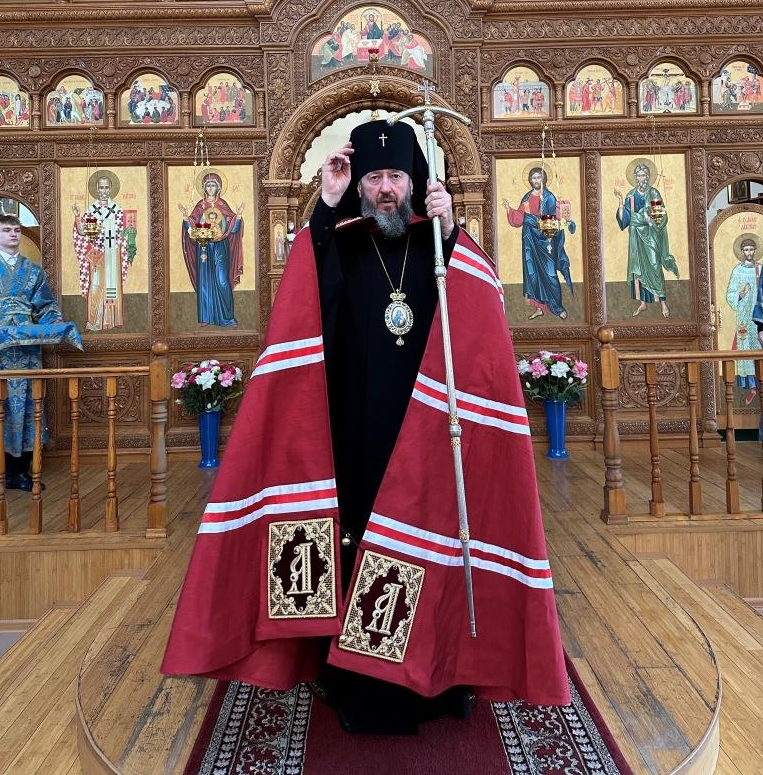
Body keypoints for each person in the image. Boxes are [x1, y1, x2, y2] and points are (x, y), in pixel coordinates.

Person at [162, 118, 569, 734]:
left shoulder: (441, 246)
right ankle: (356, 679)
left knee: (428, 536)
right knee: (360, 534)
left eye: (395, 177)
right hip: (351, 422)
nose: (384, 189)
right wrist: (326, 204)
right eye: (373, 177)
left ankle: (435, 675)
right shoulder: (342, 242)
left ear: (415, 183)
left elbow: (479, 309)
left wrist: (452, 231)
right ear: (359, 185)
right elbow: (304, 303)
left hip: (428, 424)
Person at [0, 215, 82, 490]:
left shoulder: (33, 272)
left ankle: (19, 471)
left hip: (26, 351)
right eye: (6, 230)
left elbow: (45, 307)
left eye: (16, 230)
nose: (13, 234)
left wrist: (54, 320)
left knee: (25, 405)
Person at [503, 167, 573, 320]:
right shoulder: (527, 197)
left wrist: (533, 218)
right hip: (530, 240)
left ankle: (557, 307)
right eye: (533, 178)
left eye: (538, 178)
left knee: (550, 273)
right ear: (530, 180)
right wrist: (509, 209)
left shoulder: (549, 197)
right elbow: (519, 218)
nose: (536, 181)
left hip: (546, 241)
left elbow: (553, 220)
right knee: (532, 272)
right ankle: (539, 307)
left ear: (544, 179)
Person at [178, 172, 243, 327]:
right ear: (204, 188)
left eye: (213, 185)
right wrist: (186, 217)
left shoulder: (223, 205)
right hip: (203, 248)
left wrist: (239, 216)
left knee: (222, 280)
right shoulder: (199, 206)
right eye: (208, 185)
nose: (211, 188)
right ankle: (206, 317)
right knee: (205, 280)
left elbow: (233, 229)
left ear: (218, 187)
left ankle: (228, 317)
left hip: (221, 247)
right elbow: (191, 228)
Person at [615, 163, 678, 317]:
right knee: (638, 269)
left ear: (648, 177)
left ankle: (662, 302)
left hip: (650, 235)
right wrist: (621, 201)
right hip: (636, 237)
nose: (641, 178)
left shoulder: (653, 193)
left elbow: (660, 215)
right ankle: (642, 303)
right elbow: (625, 220)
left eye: (644, 175)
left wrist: (651, 219)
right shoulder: (631, 195)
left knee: (654, 266)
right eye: (639, 176)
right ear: (635, 177)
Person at [71, 173, 131, 331]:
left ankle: (111, 320)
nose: (104, 191)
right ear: (96, 189)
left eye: (106, 187)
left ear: (110, 189)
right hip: (97, 254)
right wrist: (77, 216)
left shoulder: (117, 209)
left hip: (112, 252)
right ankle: (93, 321)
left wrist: (106, 230)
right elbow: (83, 232)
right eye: (101, 188)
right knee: (96, 286)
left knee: (112, 287)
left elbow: (121, 232)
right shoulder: (91, 210)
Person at [726, 237, 761, 405]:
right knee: (746, 349)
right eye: (746, 249)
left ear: (755, 251)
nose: (749, 252)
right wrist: (740, 294)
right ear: (742, 251)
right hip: (743, 318)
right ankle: (752, 387)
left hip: (759, 317)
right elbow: (730, 294)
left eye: (751, 249)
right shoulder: (737, 270)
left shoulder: (760, 269)